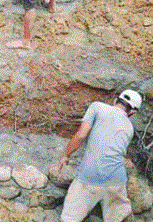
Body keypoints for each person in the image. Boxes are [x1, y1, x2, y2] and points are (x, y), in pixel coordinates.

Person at [54, 89, 142, 222]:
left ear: (115, 100)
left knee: (69, 219)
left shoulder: (97, 107)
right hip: (116, 181)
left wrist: (65, 155)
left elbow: (81, 135)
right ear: (132, 112)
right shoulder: (130, 128)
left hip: (88, 178)